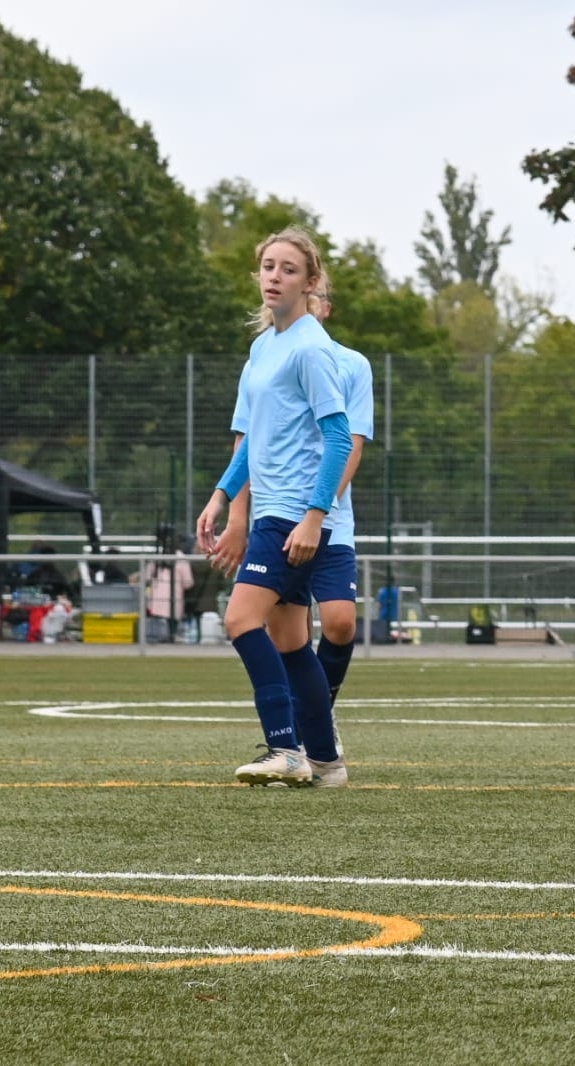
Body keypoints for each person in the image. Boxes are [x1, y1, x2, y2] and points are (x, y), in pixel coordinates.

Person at [196, 226, 351, 788]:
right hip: (275, 513)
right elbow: (254, 440)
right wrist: (221, 494)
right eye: (268, 266)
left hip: (291, 516)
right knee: (290, 640)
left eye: (289, 269)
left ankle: (285, 748)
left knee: (240, 620)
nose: (274, 277)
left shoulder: (310, 348)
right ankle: (326, 762)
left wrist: (314, 516)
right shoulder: (264, 348)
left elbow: (339, 439)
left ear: (310, 282)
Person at [145, 527, 196, 643]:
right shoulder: (181, 558)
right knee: (171, 626)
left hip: (156, 600)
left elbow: (147, 576)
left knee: (156, 626)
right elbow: (188, 582)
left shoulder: (157, 557)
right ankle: (170, 638)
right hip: (174, 599)